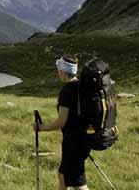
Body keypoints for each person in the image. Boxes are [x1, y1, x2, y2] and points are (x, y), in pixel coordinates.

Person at [34, 55, 91, 190]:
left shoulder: (67, 91)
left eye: (59, 69)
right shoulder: (82, 86)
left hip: (74, 141)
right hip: (84, 137)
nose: (57, 72)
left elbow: (61, 122)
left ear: (64, 71)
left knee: (78, 182)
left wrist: (41, 128)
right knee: (63, 175)